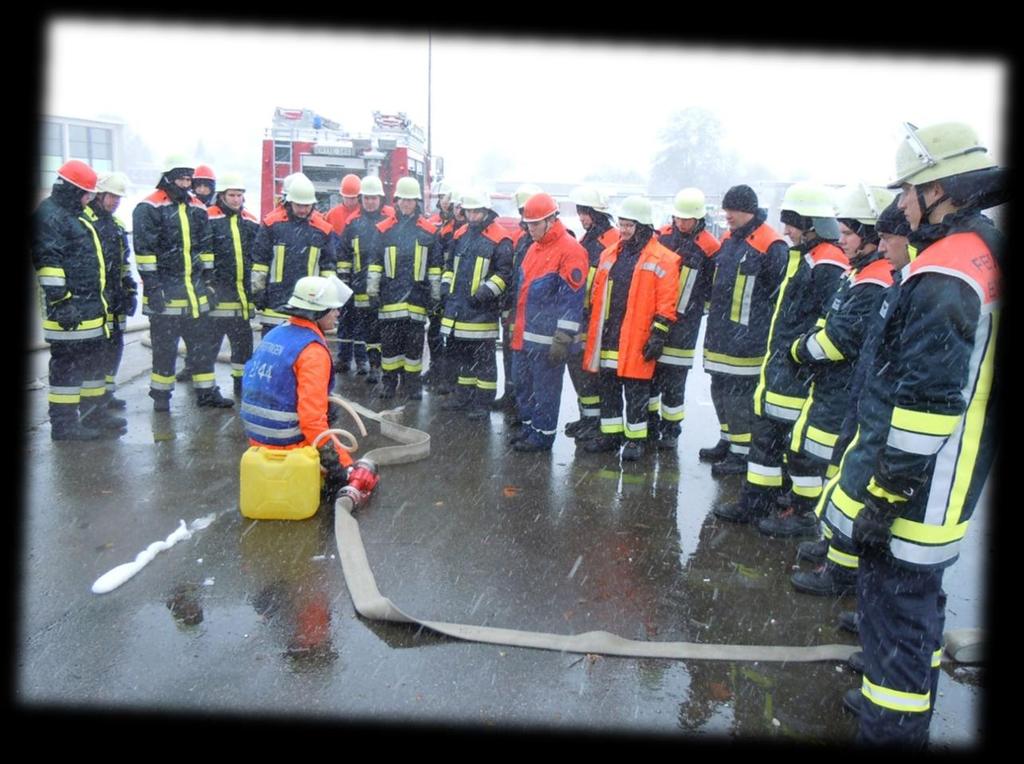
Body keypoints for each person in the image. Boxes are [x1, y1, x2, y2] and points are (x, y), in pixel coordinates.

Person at [846, 122, 1003, 747]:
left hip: (924, 485)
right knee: (910, 610)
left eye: (909, 191)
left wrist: (884, 495)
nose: (902, 204)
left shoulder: (944, 271)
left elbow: (928, 404)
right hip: (945, 475)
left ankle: (891, 730)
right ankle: (892, 704)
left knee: (902, 612)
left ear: (937, 189)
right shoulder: (978, 248)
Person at [783, 184, 895, 595]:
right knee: (832, 471)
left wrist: (798, 351)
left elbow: (840, 338)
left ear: (867, 235)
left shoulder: (874, 280)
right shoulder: (861, 273)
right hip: (841, 388)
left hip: (848, 390)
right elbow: (831, 324)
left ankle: (841, 569)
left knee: (842, 477)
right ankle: (831, 544)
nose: (841, 239)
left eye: (848, 233)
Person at [715, 182, 848, 524]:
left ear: (811, 223)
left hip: (796, 373)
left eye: (792, 221)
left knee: (780, 443)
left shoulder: (828, 262)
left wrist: (796, 355)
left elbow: (826, 321)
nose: (786, 228)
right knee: (767, 440)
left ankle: (773, 505)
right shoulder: (805, 256)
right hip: (781, 369)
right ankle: (758, 501)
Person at [240, 275, 371, 504]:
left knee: (328, 411)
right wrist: (341, 467)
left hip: (257, 439)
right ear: (317, 313)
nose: (338, 314)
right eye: (333, 310)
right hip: (286, 443)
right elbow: (312, 421)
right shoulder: (312, 351)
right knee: (343, 464)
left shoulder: (276, 333)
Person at [581, 195, 680, 461]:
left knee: (636, 391)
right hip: (609, 333)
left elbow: (667, 303)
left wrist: (658, 334)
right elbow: (597, 292)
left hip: (637, 337)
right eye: (622, 224)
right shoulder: (609, 253)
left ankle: (636, 440)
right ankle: (610, 435)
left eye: (629, 225)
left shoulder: (665, 259)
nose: (623, 230)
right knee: (608, 387)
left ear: (644, 227)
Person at [32, 159, 126, 440]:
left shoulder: (74, 214)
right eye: (86, 194)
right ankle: (65, 426)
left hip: (89, 309)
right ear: (72, 190)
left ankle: (92, 414)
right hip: (69, 312)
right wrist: (62, 303)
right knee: (67, 372)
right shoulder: (50, 216)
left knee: (93, 367)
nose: (89, 200)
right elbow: (49, 264)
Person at [700, 185, 788, 474]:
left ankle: (741, 454)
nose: (726, 216)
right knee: (720, 390)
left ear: (747, 210)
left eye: (731, 210)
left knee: (739, 397)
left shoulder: (771, 245)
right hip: (720, 336)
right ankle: (727, 440)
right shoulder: (729, 239)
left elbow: (777, 296)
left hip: (747, 339)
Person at [134, 154, 231, 411]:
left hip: (195, 297)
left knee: (201, 351)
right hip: (165, 298)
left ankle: (207, 393)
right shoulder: (149, 208)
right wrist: (153, 288)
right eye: (181, 178)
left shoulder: (197, 207)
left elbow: (205, 247)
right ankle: (162, 398)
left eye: (189, 178)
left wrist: (209, 283)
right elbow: (145, 254)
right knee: (164, 353)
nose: (186, 183)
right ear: (167, 178)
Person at [508, 192, 588, 453]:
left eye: (535, 224)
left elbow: (571, 300)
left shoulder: (571, 251)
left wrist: (562, 339)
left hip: (547, 341)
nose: (530, 229)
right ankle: (531, 428)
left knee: (545, 391)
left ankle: (543, 436)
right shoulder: (533, 248)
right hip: (526, 336)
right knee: (525, 387)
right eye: (528, 224)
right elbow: (523, 294)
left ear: (551, 220)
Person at [650, 188, 719, 450]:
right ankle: (650, 420)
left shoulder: (710, 247)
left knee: (675, 380)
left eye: (686, 219)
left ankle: (671, 428)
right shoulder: (663, 236)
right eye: (678, 218)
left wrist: (696, 311)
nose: (681, 223)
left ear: (698, 219)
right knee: (651, 375)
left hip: (685, 324)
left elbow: (712, 288)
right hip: (657, 317)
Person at [438, 188, 514, 420]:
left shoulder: (500, 239)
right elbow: (450, 266)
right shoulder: (461, 235)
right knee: (463, 360)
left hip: (482, 313)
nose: (471, 217)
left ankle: (482, 404)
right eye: (468, 212)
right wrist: (445, 285)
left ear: (486, 211)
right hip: (458, 312)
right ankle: (464, 396)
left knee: (485, 364)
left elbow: (504, 275)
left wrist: (484, 293)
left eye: (476, 212)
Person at [365, 176, 441, 400]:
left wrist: (435, 294)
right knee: (389, 347)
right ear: (396, 200)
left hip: (417, 300)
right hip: (390, 299)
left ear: (416, 202)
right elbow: (375, 263)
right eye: (403, 200)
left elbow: (435, 267)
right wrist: (372, 291)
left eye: (411, 201)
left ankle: (412, 386)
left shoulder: (428, 231)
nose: (407, 204)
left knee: (414, 348)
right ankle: (389, 384)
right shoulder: (383, 230)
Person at [250, 173, 336, 338]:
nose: (303, 210)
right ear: (289, 202)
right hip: (275, 303)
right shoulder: (271, 225)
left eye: (307, 205)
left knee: (305, 355)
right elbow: (260, 262)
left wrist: (326, 299)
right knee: (273, 353)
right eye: (299, 205)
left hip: (309, 304)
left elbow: (328, 268)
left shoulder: (323, 230)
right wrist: (258, 291)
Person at [564, 185, 619, 443]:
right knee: (579, 367)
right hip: (582, 314)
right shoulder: (587, 240)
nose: (581, 218)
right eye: (579, 212)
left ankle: (597, 420)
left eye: (585, 212)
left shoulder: (613, 241)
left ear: (597, 213)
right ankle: (587, 416)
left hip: (600, 318)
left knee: (593, 372)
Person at [205, 171, 260, 395]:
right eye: (232, 195)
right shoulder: (208, 218)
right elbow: (202, 254)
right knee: (208, 349)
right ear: (222, 196)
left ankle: (241, 387)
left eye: (239, 195)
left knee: (243, 349)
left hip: (242, 300)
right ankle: (207, 390)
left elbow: (257, 257)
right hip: (217, 299)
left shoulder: (250, 221)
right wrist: (208, 285)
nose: (236, 199)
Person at [87, 171, 138, 411]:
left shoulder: (117, 225)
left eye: (119, 198)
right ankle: (91, 399)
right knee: (96, 347)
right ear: (99, 194)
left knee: (115, 344)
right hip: (96, 296)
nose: (115, 202)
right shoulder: (86, 221)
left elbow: (124, 261)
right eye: (112, 197)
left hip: (115, 295)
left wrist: (129, 287)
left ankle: (107, 391)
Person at [336, 174, 392, 385]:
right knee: (368, 331)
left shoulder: (390, 221)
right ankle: (374, 367)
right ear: (361, 199)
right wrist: (344, 285)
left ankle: (386, 368)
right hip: (360, 287)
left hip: (386, 287)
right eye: (366, 198)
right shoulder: (353, 224)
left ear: (380, 199)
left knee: (386, 330)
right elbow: (344, 257)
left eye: (373, 198)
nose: (370, 202)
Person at [495, 183, 542, 413]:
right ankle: (511, 396)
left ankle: (523, 406)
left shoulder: (537, 240)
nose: (526, 216)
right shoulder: (521, 239)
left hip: (532, 311)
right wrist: (506, 306)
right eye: (523, 211)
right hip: (515, 308)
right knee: (511, 355)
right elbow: (513, 275)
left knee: (526, 361)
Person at [326, 173, 364, 373]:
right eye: (347, 197)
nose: (350, 200)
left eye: (353, 197)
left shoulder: (362, 215)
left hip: (359, 275)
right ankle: (343, 357)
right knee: (343, 318)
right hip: (340, 276)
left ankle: (361, 360)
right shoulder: (333, 215)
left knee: (361, 321)